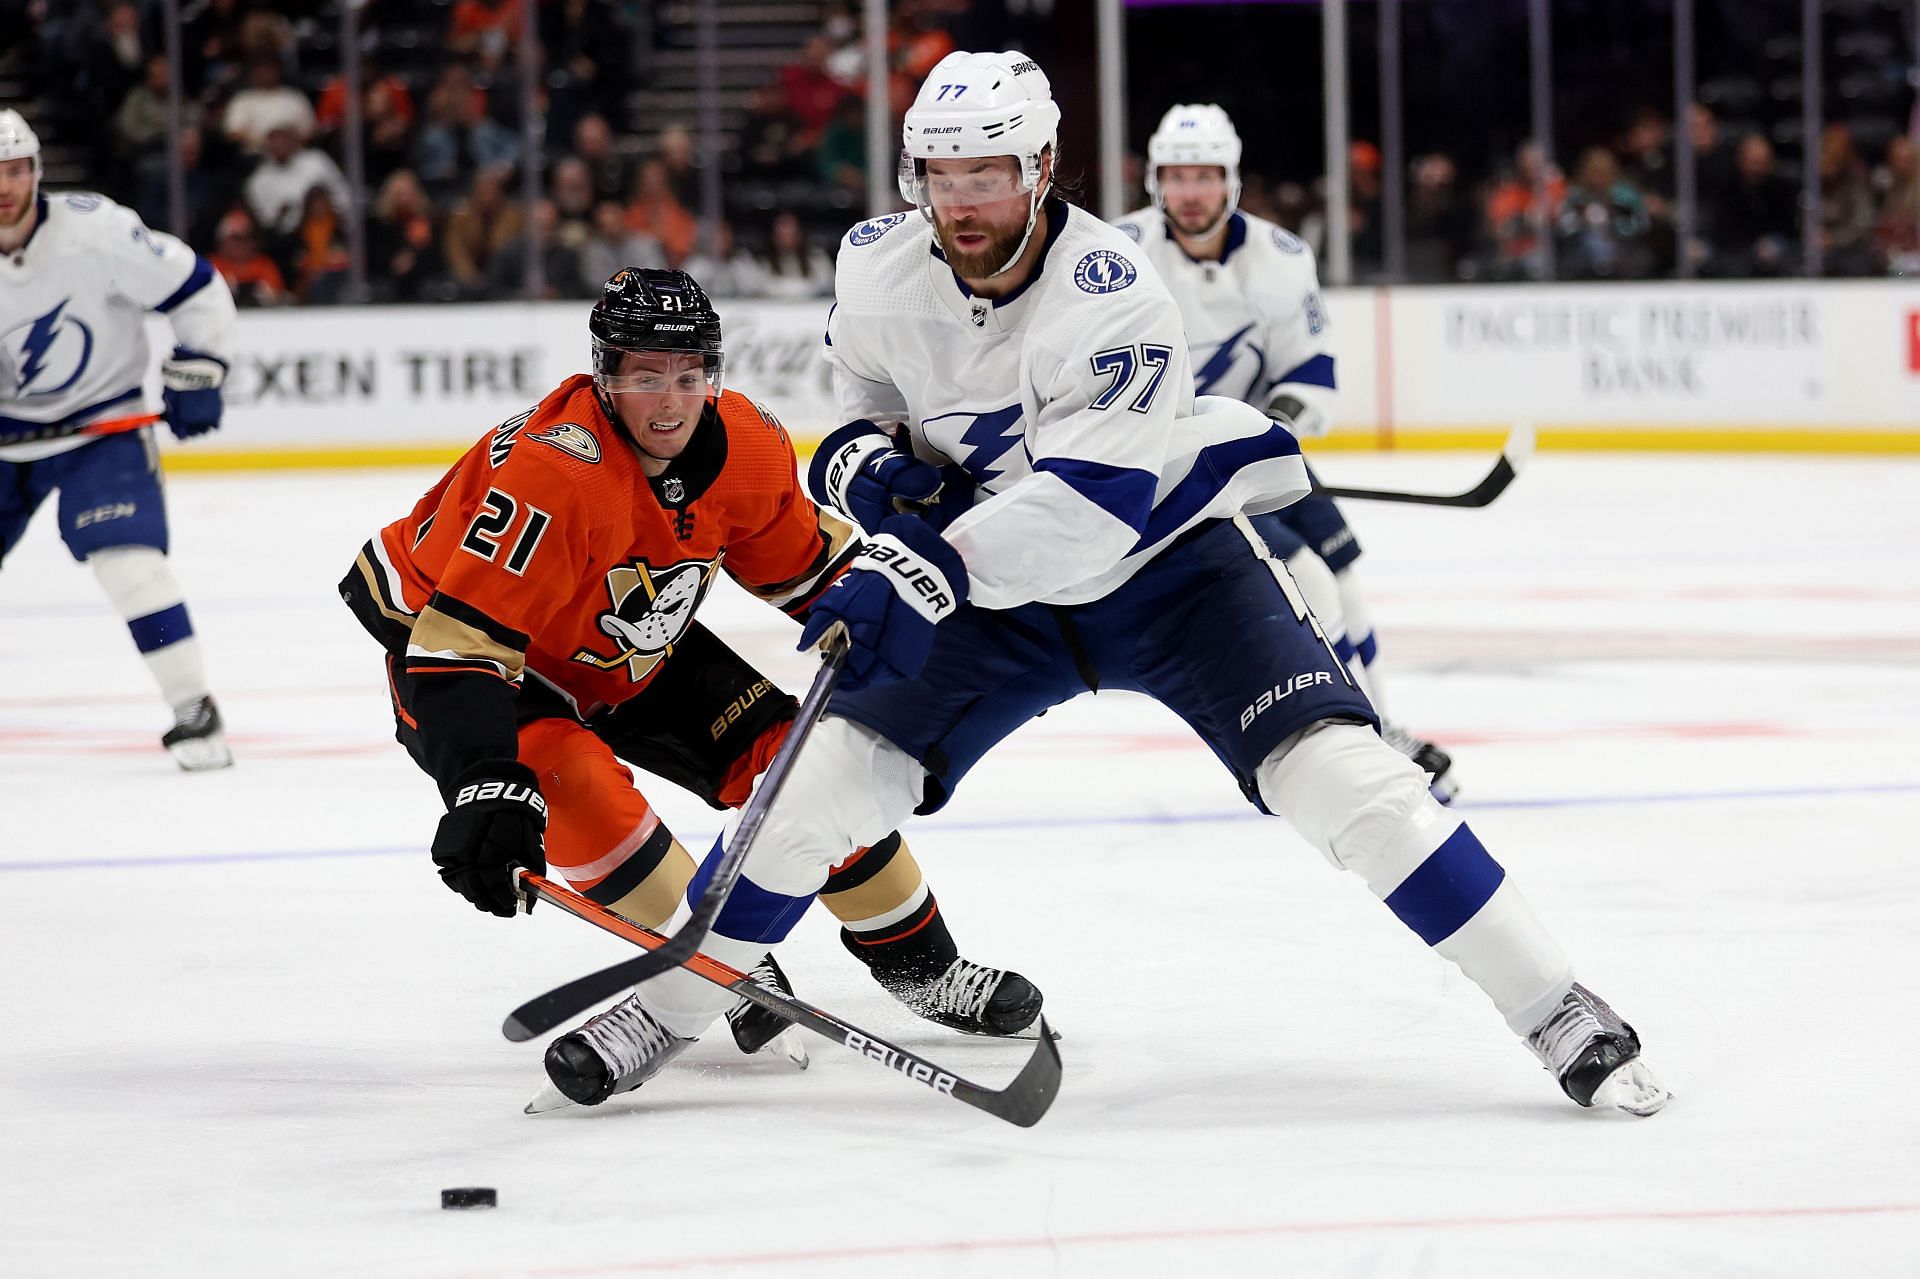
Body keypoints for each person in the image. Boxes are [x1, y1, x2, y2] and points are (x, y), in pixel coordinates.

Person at [540, 53, 1671, 1119]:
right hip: (991, 599)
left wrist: (920, 562)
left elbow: (1089, 517)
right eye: (942, 174)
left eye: (987, 172)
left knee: (1349, 785)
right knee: (812, 791)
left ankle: (1556, 1006)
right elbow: (858, 411)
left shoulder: (1115, 293)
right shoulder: (877, 262)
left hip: (1169, 576)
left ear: (1041, 168)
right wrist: (875, 471)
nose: (963, 200)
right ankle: (674, 1005)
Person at [337, 268, 1045, 1109]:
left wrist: (890, 599)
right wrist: (483, 781)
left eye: (687, 374)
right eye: (643, 375)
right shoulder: (556, 471)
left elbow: (810, 570)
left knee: (802, 770)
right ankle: (719, 966)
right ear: (605, 373)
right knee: (576, 786)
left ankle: (922, 966)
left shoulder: (743, 446)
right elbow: (460, 650)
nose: (668, 401)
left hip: (630, 644)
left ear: (713, 373)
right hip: (476, 657)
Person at [1115, 104, 1457, 802]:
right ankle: (1348, 738)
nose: (1190, 192)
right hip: (1164, 465)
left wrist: (1273, 429)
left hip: (1249, 449)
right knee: (1309, 579)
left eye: (1204, 175)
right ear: (1155, 181)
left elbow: (1312, 373)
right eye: (1177, 176)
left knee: (1345, 575)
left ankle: (1379, 727)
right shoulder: (1118, 253)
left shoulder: (1281, 258)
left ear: (1230, 181)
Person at [0, 109, 237, 770]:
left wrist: (200, 367)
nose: (4, 186)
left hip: (98, 429)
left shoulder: (96, 231)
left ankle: (193, 707)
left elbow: (197, 287)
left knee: (130, 563)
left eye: (15, 169)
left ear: (37, 171)